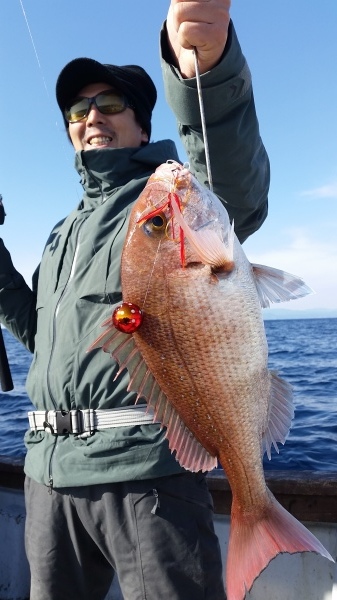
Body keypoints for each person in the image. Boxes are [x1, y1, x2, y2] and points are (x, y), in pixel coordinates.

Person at [0, 1, 269, 599]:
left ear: (142, 125)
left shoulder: (166, 201)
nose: (92, 115)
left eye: (110, 104)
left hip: (146, 473)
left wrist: (204, 70)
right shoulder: (60, 233)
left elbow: (230, 184)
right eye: (78, 108)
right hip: (47, 475)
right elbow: (36, 333)